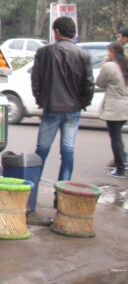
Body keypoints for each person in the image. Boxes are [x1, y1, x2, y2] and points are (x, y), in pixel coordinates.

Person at [28, 16, 94, 212]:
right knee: (67, 152)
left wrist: (41, 100)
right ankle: (61, 196)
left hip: (51, 108)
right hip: (73, 110)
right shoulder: (83, 54)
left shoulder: (44, 52)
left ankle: (31, 196)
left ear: (56, 31)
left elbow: (36, 80)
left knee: (41, 151)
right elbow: (89, 84)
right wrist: (82, 103)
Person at [95, 40, 128, 178]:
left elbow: (100, 83)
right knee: (118, 137)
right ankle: (123, 160)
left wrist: (103, 66)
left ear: (113, 52)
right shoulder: (125, 65)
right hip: (125, 107)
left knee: (115, 139)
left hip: (114, 108)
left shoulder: (110, 66)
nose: (107, 54)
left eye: (108, 51)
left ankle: (120, 168)